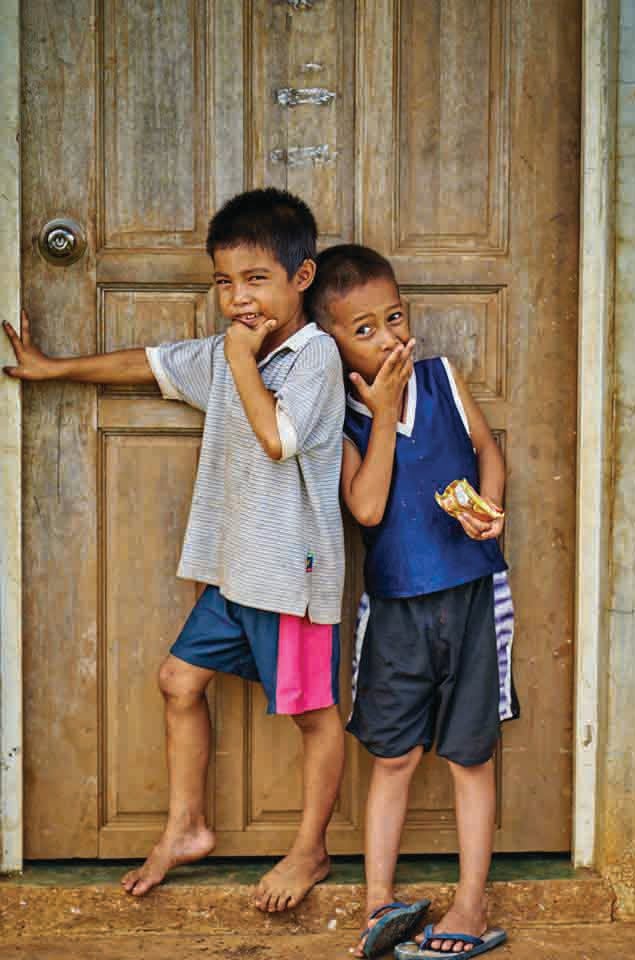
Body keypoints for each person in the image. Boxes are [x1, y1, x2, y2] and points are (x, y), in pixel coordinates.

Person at [3, 188, 346, 914]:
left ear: (301, 279)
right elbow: (153, 364)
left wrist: (242, 359)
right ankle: (187, 825)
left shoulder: (313, 357)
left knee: (314, 715)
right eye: (224, 282)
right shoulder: (231, 351)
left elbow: (278, 439)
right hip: (234, 573)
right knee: (177, 682)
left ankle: (310, 848)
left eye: (256, 280)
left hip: (291, 578)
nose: (237, 298)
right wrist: (52, 368)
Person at [307, 245, 517, 958]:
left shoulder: (444, 379)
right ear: (330, 345)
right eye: (364, 329)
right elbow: (366, 508)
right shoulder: (337, 419)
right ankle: (377, 903)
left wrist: (490, 504)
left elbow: (489, 450)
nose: (390, 337)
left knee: (470, 756)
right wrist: (384, 410)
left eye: (394, 318)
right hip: (394, 608)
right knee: (393, 758)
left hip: (471, 594)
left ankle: (470, 901)